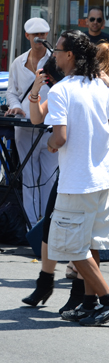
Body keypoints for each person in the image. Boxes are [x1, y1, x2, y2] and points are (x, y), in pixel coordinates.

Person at [43, 30, 109, 326]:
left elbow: (60, 137)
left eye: (57, 50)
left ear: (69, 56)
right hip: (103, 179)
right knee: (90, 245)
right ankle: (90, 303)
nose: (53, 54)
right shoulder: (100, 87)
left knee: (69, 247)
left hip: (77, 181)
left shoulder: (60, 90)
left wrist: (51, 145)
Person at [4, 17, 59, 227]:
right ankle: (30, 226)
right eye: (36, 35)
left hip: (50, 125)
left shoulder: (54, 60)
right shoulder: (18, 62)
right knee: (28, 176)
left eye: (43, 35)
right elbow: (11, 92)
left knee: (49, 176)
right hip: (24, 125)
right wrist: (15, 106)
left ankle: (46, 226)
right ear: (27, 36)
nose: (40, 38)